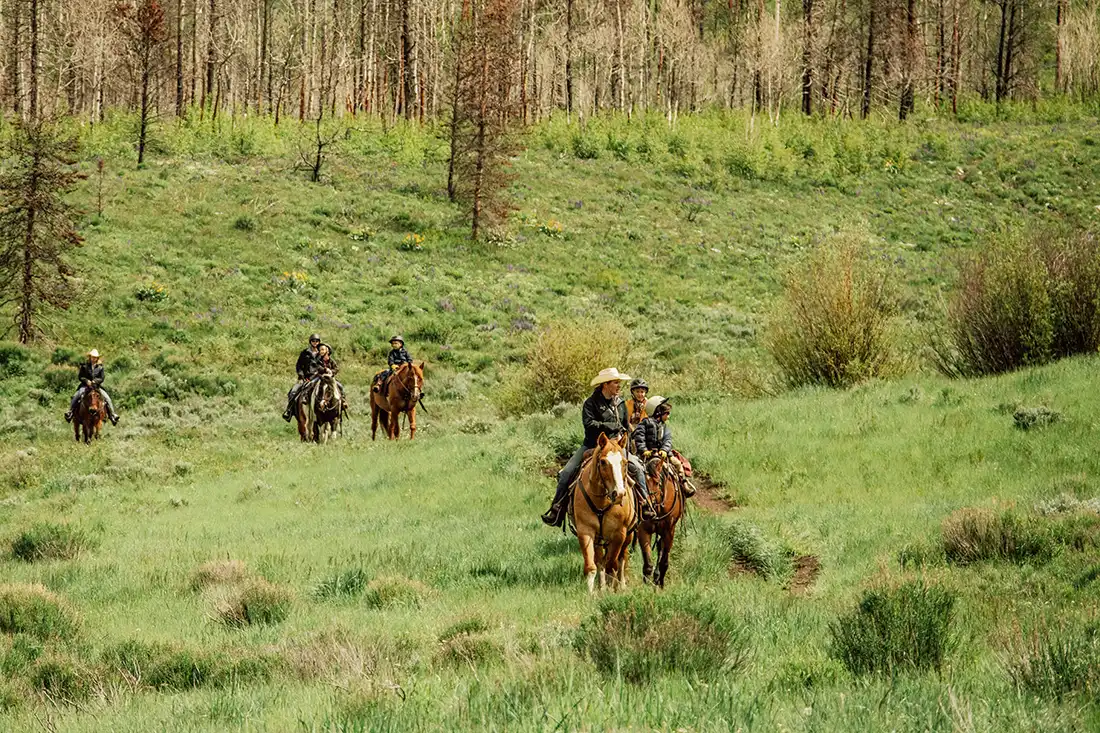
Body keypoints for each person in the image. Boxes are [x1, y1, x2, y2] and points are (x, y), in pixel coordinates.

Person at [541, 367, 649, 527]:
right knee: (567, 473)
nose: (619, 386)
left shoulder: (620, 403)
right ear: (605, 384)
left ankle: (645, 506)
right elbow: (589, 425)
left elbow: (626, 425)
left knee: (638, 469)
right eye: (615, 383)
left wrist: (627, 439)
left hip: (617, 448)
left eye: (619, 383)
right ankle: (557, 510)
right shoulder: (590, 403)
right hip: (592, 445)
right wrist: (611, 426)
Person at [634, 395, 694, 497]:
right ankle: (639, 493)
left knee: (678, 464)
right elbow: (639, 438)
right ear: (658, 412)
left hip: (663, 455)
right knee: (637, 470)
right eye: (667, 413)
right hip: (647, 455)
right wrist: (644, 450)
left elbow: (668, 440)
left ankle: (684, 484)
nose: (668, 416)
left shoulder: (664, 426)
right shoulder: (643, 424)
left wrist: (665, 450)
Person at [64, 349, 120, 426]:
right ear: (90, 357)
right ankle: (70, 412)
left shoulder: (100, 367)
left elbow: (102, 378)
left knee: (107, 398)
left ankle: (112, 415)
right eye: (92, 357)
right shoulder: (84, 366)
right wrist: (87, 381)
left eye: (95, 357)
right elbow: (80, 377)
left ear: (97, 358)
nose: (93, 359)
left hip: (96, 387)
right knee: (77, 395)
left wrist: (95, 381)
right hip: (85, 386)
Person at [283, 334, 321, 421]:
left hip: (319, 378)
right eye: (313, 341)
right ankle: (289, 411)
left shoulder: (322, 353)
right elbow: (299, 365)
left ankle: (338, 410)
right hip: (306, 378)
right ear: (310, 342)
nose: (315, 343)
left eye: (317, 341)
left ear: (319, 342)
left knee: (335, 388)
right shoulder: (304, 353)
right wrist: (301, 375)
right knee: (293, 391)